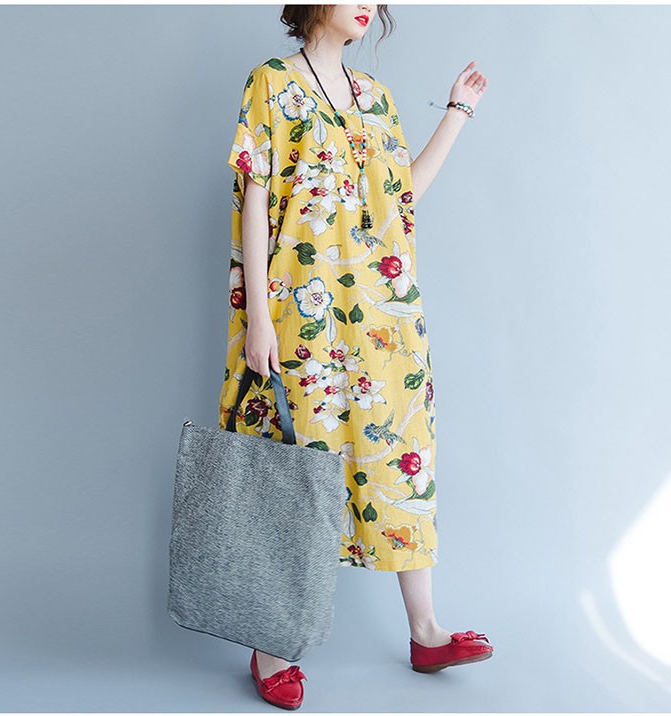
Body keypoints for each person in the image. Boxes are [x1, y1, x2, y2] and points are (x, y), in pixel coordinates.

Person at [218, 4, 491, 709]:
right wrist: (258, 318)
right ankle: (271, 645)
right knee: (298, 468)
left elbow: (402, 199)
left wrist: (457, 113)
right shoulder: (271, 82)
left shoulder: (377, 98)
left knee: (401, 460)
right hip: (301, 312)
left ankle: (425, 631)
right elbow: (255, 200)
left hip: (381, 314)